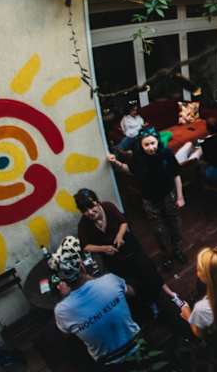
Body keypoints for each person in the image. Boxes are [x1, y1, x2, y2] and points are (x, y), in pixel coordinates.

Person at [74, 188, 179, 319]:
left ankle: (169, 293)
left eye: (92, 207)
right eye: (85, 210)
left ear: (97, 202)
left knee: (147, 269)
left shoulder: (108, 207)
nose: (90, 212)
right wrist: (103, 248)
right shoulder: (84, 224)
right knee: (130, 282)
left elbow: (123, 222)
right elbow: (85, 246)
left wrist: (119, 236)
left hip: (128, 246)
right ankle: (149, 303)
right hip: (112, 257)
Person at [51, 236, 141, 367]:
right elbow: (132, 292)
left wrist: (66, 297)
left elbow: (66, 334)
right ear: (82, 267)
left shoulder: (61, 311)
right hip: (138, 345)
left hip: (109, 363)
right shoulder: (110, 280)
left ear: (62, 281)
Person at [107, 127, 186, 267]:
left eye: (153, 143)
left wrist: (180, 197)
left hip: (168, 195)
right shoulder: (138, 157)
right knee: (158, 230)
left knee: (175, 224)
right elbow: (130, 170)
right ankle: (166, 255)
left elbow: (176, 175)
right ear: (141, 145)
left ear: (157, 142)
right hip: (149, 199)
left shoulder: (166, 153)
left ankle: (178, 250)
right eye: (147, 144)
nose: (151, 147)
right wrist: (115, 163)